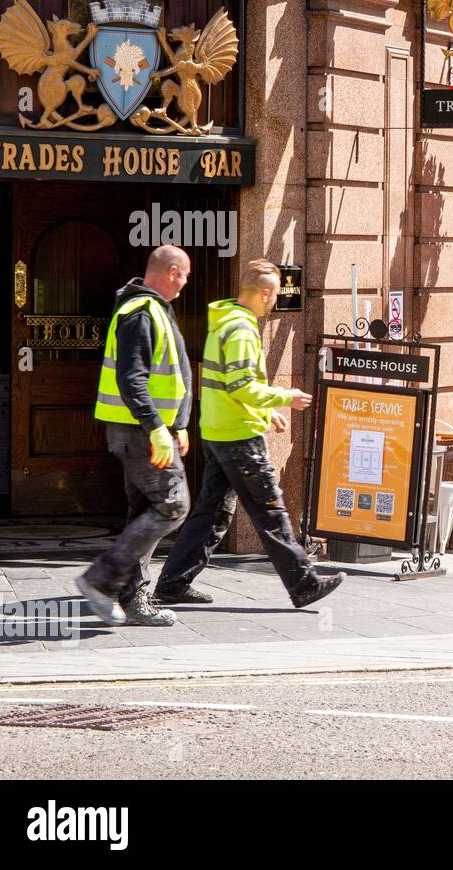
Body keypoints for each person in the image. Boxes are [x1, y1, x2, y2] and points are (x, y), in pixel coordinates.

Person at [155, 260, 344, 609]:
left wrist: (265, 410)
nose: (274, 302)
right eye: (272, 296)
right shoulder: (241, 330)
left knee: (211, 513)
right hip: (240, 439)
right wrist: (285, 397)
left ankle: (173, 582)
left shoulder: (223, 323)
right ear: (265, 293)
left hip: (218, 431)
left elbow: (231, 386)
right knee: (270, 510)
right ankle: (304, 584)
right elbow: (242, 385)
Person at [76, 246, 195, 628]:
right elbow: (132, 379)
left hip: (150, 430)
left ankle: (133, 597)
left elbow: (168, 374)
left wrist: (178, 424)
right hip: (141, 432)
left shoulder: (152, 308)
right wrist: (157, 428)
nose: (187, 283)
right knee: (172, 504)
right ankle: (101, 580)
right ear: (173, 272)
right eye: (186, 275)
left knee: (145, 510)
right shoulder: (140, 312)